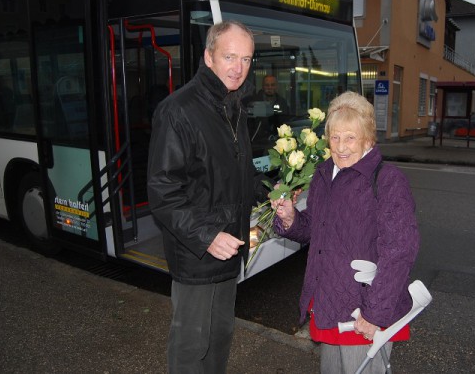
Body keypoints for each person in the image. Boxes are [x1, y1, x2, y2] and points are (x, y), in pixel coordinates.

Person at [272, 91, 420, 374]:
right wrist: (291, 218)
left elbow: (400, 251)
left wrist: (373, 315)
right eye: (335, 137)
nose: (341, 147)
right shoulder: (325, 174)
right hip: (330, 305)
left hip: (363, 313)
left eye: (350, 137)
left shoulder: (388, 181)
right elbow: (316, 231)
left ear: (368, 139)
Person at [147, 20, 261, 373]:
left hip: (230, 249)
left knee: (220, 336)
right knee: (191, 345)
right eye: (230, 56)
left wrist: (276, 194)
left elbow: (242, 176)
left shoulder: (233, 107)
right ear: (208, 56)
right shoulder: (178, 110)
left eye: (245, 59)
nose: (238, 68)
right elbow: (162, 191)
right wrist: (207, 236)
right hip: (197, 255)